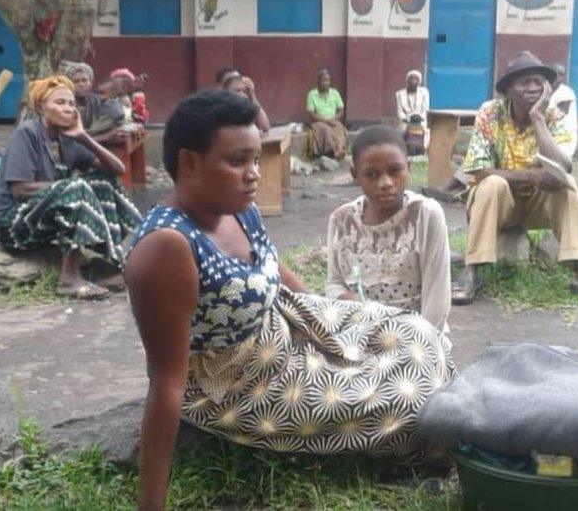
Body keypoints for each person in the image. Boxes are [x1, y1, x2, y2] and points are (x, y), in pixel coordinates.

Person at [125, 91, 455, 510]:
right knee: (410, 401)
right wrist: (150, 505)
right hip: (239, 379)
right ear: (189, 162)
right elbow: (167, 381)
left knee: (416, 334)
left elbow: (272, 267)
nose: (253, 174)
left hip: (287, 320)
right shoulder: (166, 249)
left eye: (256, 160)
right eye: (237, 161)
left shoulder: (236, 206)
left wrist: (333, 323)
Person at [451, 51, 578, 307]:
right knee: (493, 183)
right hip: (499, 205)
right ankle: (471, 271)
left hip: (538, 207)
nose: (533, 88)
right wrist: (529, 174)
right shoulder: (490, 112)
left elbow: (563, 166)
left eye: (538, 82)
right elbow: (477, 171)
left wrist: (537, 118)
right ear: (508, 89)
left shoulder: (553, 116)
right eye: (524, 82)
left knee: (569, 185)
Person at [0, 75, 143, 300]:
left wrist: (83, 136)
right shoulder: (27, 133)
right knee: (76, 187)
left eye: (71, 104)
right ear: (41, 107)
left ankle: (109, 263)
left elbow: (116, 170)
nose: (68, 108)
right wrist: (67, 187)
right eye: (59, 103)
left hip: (40, 220)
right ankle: (69, 279)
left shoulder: (67, 139)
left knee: (103, 183)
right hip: (9, 224)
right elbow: (20, 190)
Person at [327, 125, 451, 329]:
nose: (385, 183)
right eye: (372, 175)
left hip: (419, 337)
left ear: (408, 167)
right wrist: (345, 297)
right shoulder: (341, 221)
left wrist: (416, 344)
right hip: (359, 334)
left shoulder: (425, 214)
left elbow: (437, 300)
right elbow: (333, 282)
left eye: (395, 171)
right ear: (355, 174)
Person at [62, 60, 126, 144]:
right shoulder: (65, 104)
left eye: (84, 80)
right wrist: (106, 136)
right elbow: (69, 137)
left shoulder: (95, 99)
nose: (81, 84)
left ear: (90, 83)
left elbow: (117, 116)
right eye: (76, 81)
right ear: (69, 85)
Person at [305, 69, 347, 159]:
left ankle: (339, 150)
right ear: (318, 81)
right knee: (325, 130)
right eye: (323, 80)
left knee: (339, 127)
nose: (325, 83)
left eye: (327, 80)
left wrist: (334, 119)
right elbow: (311, 114)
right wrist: (325, 121)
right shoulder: (312, 94)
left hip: (333, 120)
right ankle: (334, 151)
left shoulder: (335, 93)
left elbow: (341, 110)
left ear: (330, 82)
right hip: (318, 121)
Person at [395, 69, 430, 152]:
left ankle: (422, 150)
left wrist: (417, 119)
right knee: (402, 134)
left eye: (415, 79)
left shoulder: (424, 92)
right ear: (407, 80)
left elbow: (425, 108)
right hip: (406, 120)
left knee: (423, 132)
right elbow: (399, 111)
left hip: (420, 119)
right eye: (411, 78)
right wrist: (406, 120)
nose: (413, 81)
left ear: (419, 81)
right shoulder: (399, 93)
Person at [549, 63, 578, 157]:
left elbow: (560, 114)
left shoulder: (566, 93)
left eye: (561, 74)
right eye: (555, 73)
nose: (557, 76)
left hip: (564, 136)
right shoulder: (547, 91)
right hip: (550, 135)